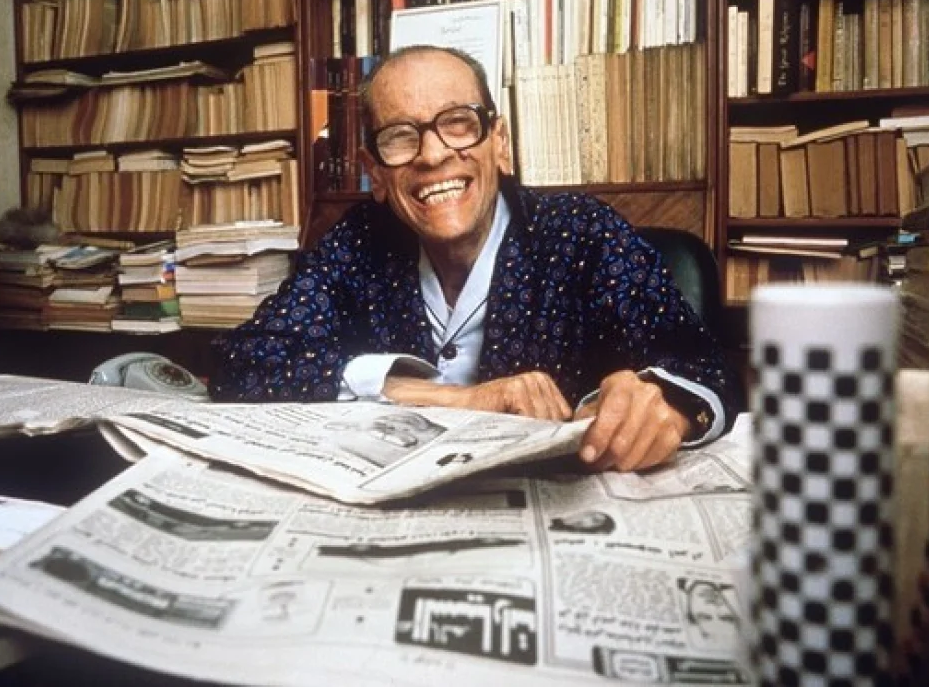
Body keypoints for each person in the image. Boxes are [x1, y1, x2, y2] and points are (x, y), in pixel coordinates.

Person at [210, 45, 739, 471]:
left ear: (500, 142)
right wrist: (450, 398)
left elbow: (705, 369)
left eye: (458, 123)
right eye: (400, 137)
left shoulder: (583, 233)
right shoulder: (356, 244)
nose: (434, 154)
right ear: (375, 171)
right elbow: (244, 362)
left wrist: (665, 401)